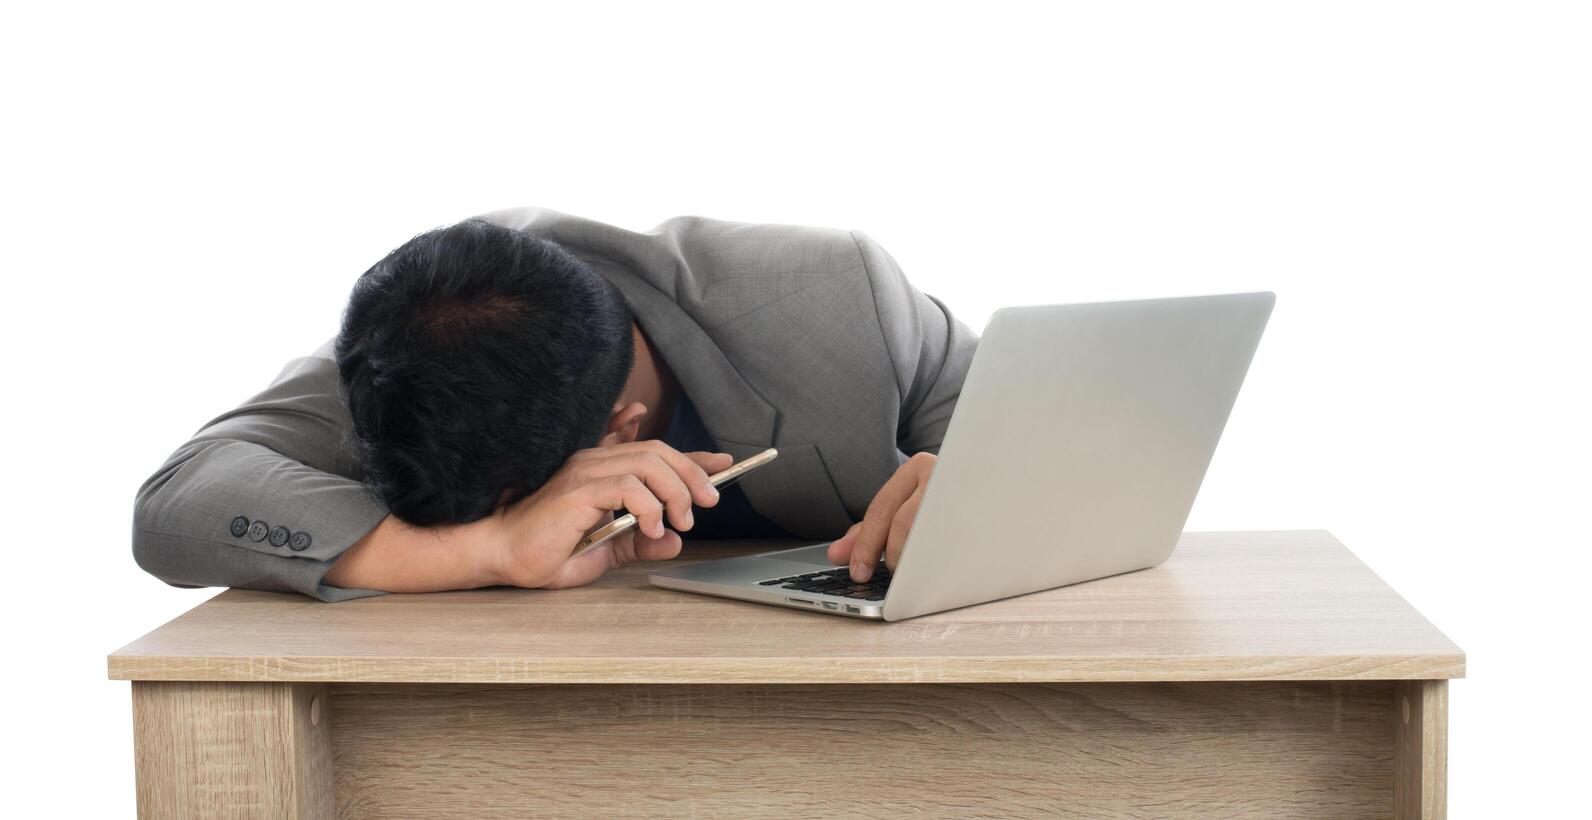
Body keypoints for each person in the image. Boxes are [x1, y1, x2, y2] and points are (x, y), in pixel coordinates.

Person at [132, 207, 978, 601]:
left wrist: (974, 480)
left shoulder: (834, 302)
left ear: (620, 430)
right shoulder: (425, 335)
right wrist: (484, 549)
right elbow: (177, 503)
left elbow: (1037, 425)